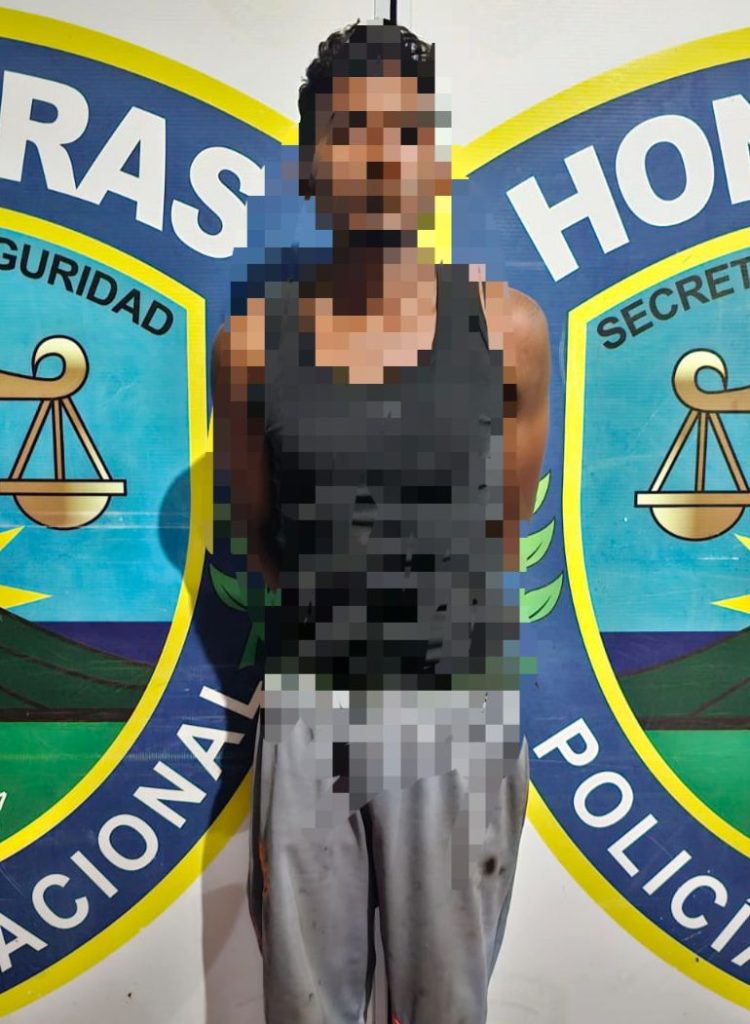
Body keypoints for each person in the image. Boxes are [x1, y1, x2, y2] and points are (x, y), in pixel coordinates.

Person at [212, 18, 550, 1024]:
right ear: (308, 167)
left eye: (405, 132)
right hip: (309, 705)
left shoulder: (509, 332)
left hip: (457, 709)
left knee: (448, 1005)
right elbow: (262, 534)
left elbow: (505, 522)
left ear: (438, 165)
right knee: (305, 1007)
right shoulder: (250, 347)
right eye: (349, 130)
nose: (379, 157)